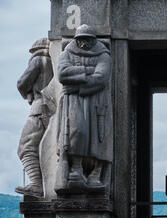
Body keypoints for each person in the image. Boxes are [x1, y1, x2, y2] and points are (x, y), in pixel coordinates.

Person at [55, 24, 112, 194]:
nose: (84, 43)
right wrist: (88, 71)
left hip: (96, 99)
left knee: (99, 136)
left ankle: (95, 173)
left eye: (88, 40)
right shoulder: (66, 53)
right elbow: (62, 74)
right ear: (76, 40)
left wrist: (77, 87)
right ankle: (76, 168)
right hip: (74, 102)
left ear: (93, 40)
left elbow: (101, 77)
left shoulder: (103, 55)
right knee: (76, 131)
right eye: (81, 40)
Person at [16, 38, 53, 197]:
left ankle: (36, 184)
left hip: (39, 107)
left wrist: (28, 93)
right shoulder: (56, 60)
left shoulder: (39, 59)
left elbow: (22, 83)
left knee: (26, 146)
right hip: (52, 108)